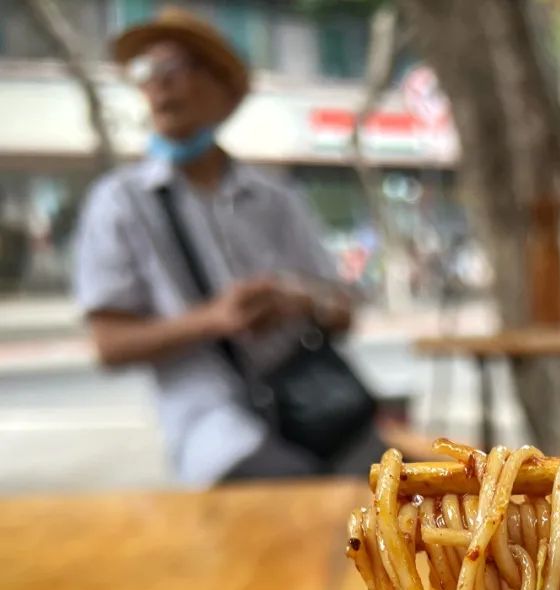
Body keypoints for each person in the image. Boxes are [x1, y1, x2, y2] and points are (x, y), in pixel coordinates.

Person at [72, 8, 427, 486]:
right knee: (313, 507)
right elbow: (109, 344)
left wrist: (299, 303)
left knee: (420, 497)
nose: (159, 84)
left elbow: (344, 312)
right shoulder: (120, 203)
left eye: (176, 67)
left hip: (318, 413)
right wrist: (213, 320)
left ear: (223, 90)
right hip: (218, 436)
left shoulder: (275, 198)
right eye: (145, 71)